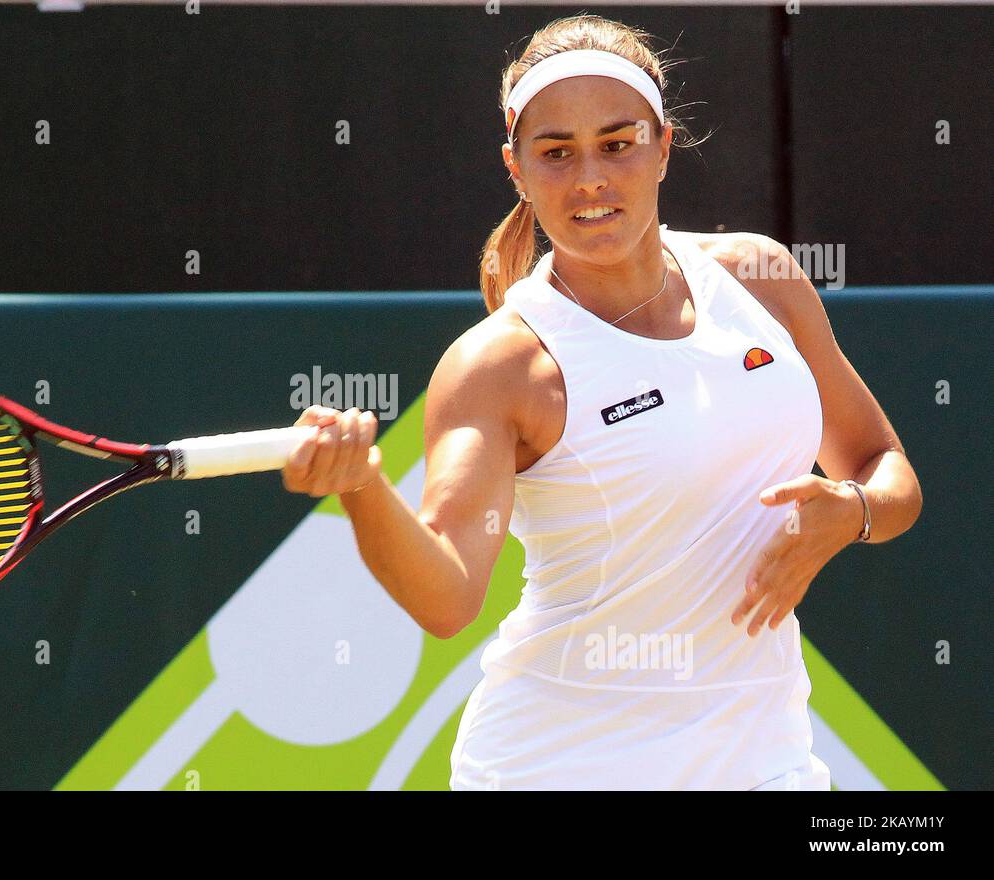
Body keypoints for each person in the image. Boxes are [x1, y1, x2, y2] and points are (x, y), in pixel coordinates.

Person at [280, 14, 922, 790]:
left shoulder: (761, 279)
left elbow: (887, 472)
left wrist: (848, 512)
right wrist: (362, 488)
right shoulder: (501, 366)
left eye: (617, 143)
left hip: (767, 766)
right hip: (556, 769)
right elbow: (447, 597)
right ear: (515, 169)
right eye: (556, 153)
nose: (591, 178)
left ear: (662, 146)